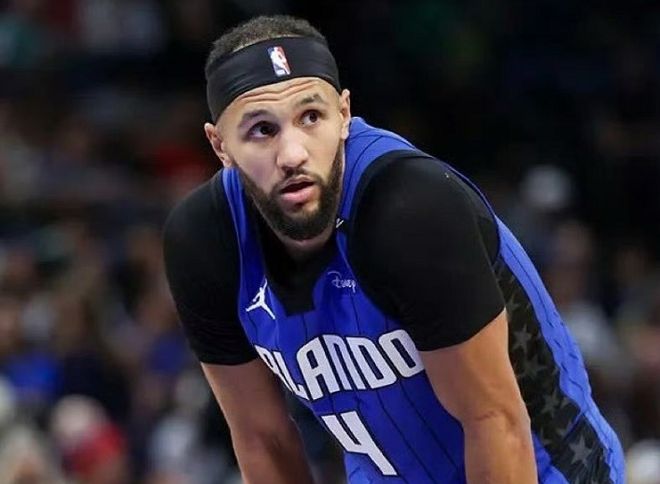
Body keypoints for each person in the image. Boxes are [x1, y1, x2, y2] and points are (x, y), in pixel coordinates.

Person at [163, 15, 625, 483]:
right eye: (262, 130)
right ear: (220, 145)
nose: (293, 154)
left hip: (545, 467)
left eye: (311, 117)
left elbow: (495, 422)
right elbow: (263, 439)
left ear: (344, 114)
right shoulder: (204, 241)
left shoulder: (409, 208)